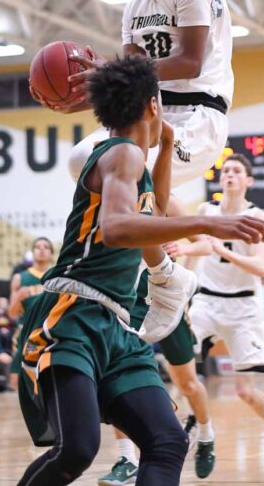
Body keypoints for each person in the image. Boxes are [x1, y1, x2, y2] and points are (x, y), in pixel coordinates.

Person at [17, 57, 264, 485]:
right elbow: (118, 228)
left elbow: (153, 209)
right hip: (73, 312)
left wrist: (167, 145)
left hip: (116, 324)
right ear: (153, 105)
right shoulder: (122, 154)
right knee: (77, 448)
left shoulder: (131, 160)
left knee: (167, 440)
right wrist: (209, 223)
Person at [31, 0, 233, 190]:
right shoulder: (137, 2)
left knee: (122, 165)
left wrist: (111, 70)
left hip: (196, 116)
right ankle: (158, 216)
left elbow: (190, 63)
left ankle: (159, 216)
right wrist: (75, 102)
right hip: (151, 111)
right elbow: (134, 85)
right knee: (81, 160)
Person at [188, 154, 264, 469]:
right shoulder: (206, 211)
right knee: (181, 364)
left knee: (245, 391)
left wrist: (223, 250)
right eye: (225, 170)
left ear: (248, 180)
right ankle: (194, 422)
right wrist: (182, 291)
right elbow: (197, 252)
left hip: (244, 307)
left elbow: (261, 267)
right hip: (207, 301)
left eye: (236, 170)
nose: (229, 174)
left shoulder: (255, 216)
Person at [99, 203, 215, 486]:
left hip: (166, 296)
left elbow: (206, 244)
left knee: (188, 384)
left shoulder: (166, 199)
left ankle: (206, 435)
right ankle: (127, 459)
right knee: (121, 377)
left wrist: (182, 247)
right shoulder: (114, 196)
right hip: (130, 299)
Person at [8, 237, 54, 388]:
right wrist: (18, 298)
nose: (41, 250)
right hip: (26, 331)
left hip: (51, 330)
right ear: (32, 252)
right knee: (18, 377)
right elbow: (12, 314)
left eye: (46, 247)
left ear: (51, 253)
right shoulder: (20, 278)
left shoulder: (58, 276)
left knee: (48, 376)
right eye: (38, 247)